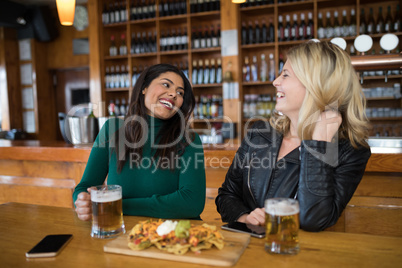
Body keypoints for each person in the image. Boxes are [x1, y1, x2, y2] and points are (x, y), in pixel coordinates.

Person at [215, 41, 371, 232]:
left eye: (285, 75)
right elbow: (227, 194)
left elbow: (313, 220)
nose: (275, 81)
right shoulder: (259, 133)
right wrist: (246, 217)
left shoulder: (350, 152)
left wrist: (318, 144)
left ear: (316, 83)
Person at [74, 64, 206, 221]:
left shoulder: (188, 139)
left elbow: (191, 203)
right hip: (122, 234)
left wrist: (116, 206)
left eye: (180, 92)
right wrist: (82, 201)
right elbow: (85, 187)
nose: (173, 94)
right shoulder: (112, 129)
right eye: (166, 84)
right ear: (144, 87)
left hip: (175, 237)